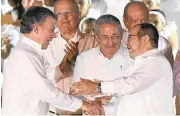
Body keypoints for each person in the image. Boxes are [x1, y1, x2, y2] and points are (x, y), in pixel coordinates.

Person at [2, 6, 95, 115]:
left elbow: (42, 78)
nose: (54, 35)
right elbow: (46, 91)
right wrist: (83, 105)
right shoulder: (24, 54)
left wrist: (62, 69)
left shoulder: (30, 52)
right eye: (51, 30)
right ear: (36, 29)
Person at [71, 23, 174, 115]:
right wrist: (102, 110)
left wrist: (97, 87)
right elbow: (124, 101)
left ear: (144, 39)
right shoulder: (135, 65)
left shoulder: (157, 62)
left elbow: (131, 84)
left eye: (130, 37)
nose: (126, 43)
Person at [72, 14, 133, 114]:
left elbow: (138, 96)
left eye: (115, 37)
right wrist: (93, 102)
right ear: (96, 37)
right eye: (105, 37)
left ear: (122, 34)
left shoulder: (133, 58)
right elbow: (75, 93)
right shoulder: (84, 58)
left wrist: (110, 98)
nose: (110, 43)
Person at [121, 1, 174, 66]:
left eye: (142, 20)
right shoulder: (118, 40)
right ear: (125, 21)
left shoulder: (163, 44)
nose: (139, 23)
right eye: (134, 20)